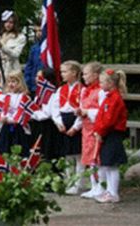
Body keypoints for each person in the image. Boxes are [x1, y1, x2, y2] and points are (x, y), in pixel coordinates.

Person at [92, 69, 128, 203]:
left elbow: (109, 120)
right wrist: (97, 131)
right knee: (106, 164)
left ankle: (113, 193)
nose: (99, 84)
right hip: (107, 133)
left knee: (111, 165)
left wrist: (100, 132)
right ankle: (109, 190)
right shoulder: (109, 97)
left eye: (101, 82)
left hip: (112, 134)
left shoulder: (114, 99)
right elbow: (102, 117)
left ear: (110, 83)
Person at [52, 60, 84, 195]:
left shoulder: (82, 90)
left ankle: (79, 183)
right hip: (63, 122)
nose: (62, 74)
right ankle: (69, 181)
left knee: (78, 155)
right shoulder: (60, 89)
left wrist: (76, 127)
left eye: (65, 71)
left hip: (75, 121)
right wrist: (58, 122)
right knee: (67, 155)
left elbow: (83, 109)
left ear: (74, 73)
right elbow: (54, 107)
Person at [77, 62, 104, 199]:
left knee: (96, 157)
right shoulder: (85, 91)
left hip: (96, 128)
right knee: (89, 157)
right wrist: (80, 113)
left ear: (96, 75)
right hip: (86, 128)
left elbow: (102, 111)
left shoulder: (100, 91)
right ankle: (94, 185)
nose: (84, 76)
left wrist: (87, 111)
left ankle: (101, 186)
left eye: (86, 73)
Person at [0, 70, 33, 155]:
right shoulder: (4, 97)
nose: (11, 84)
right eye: (9, 82)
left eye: (14, 82)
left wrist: (9, 119)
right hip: (6, 128)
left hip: (19, 129)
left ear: (20, 83)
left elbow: (23, 114)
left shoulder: (24, 97)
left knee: (19, 151)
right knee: (4, 151)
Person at [30, 68, 59, 161]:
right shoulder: (38, 94)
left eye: (39, 77)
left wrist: (32, 114)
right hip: (37, 125)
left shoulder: (51, 93)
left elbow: (47, 113)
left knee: (47, 150)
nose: (36, 79)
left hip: (47, 126)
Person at [0, 10, 26, 80]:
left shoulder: (20, 37)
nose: (8, 24)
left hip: (12, 70)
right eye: (6, 22)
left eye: (11, 22)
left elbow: (16, 54)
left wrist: (2, 46)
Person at [23, 24, 44, 91]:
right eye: (36, 31)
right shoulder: (34, 47)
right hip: (33, 84)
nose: (38, 33)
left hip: (45, 84)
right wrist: (27, 82)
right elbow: (29, 65)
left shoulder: (51, 47)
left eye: (40, 30)